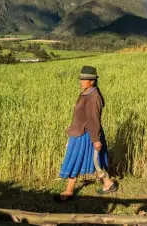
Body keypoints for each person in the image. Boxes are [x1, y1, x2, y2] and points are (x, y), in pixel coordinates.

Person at [57, 65, 117, 202]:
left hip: (85, 135)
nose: (81, 81)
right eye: (81, 79)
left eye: (85, 79)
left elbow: (93, 119)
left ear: (92, 81)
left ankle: (68, 191)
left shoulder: (92, 97)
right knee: (94, 160)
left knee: (76, 160)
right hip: (81, 132)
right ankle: (108, 184)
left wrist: (96, 139)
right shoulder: (86, 93)